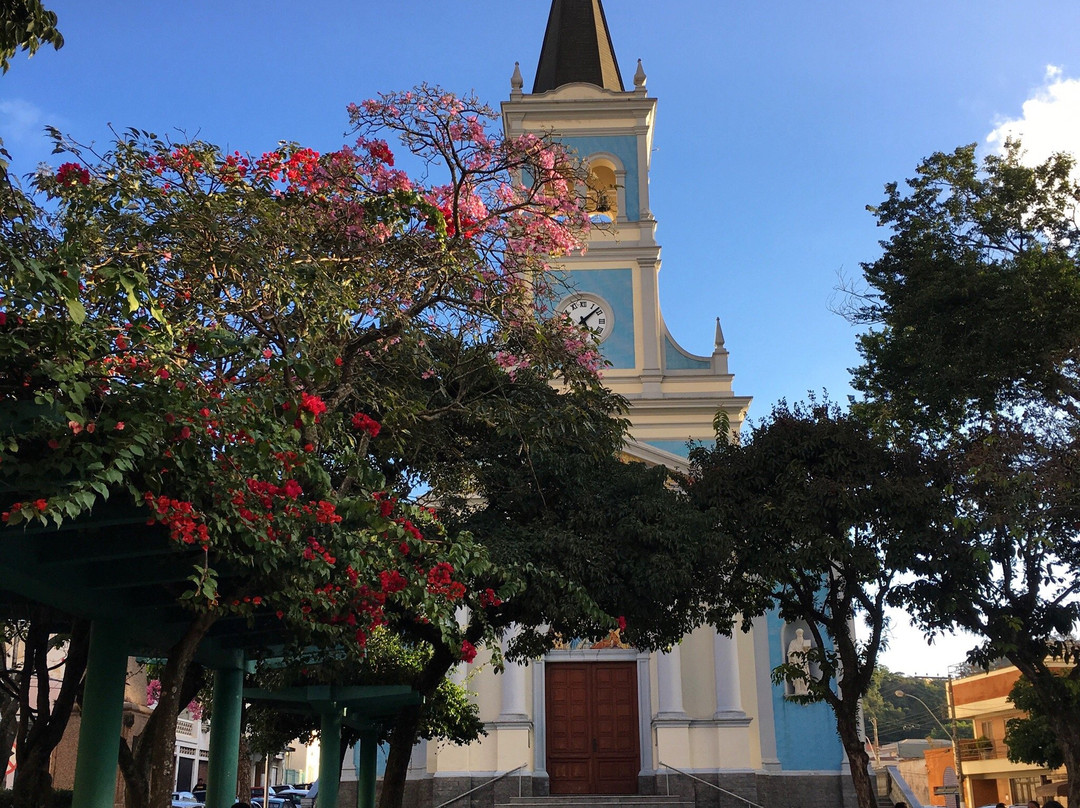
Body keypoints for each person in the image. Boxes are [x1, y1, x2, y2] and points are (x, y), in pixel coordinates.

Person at [787, 628, 813, 696]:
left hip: (804, 662)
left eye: (801, 634)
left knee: (806, 675)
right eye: (799, 634)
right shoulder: (793, 642)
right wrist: (794, 656)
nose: (800, 635)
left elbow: (808, 653)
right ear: (797, 634)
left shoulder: (805, 642)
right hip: (796, 662)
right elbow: (790, 652)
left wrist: (807, 649)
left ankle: (806, 689)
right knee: (797, 677)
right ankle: (798, 690)